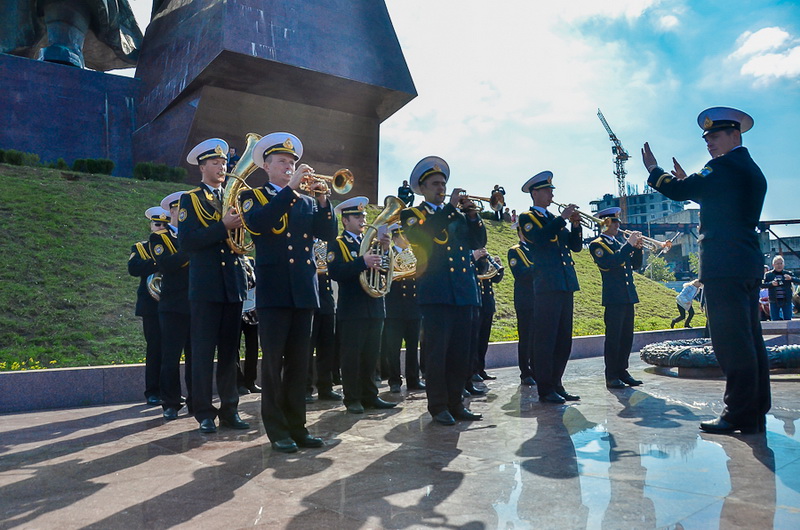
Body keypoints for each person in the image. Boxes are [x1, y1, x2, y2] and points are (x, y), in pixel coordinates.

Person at [642, 106, 769, 435]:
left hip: (724, 265)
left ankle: (738, 413)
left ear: (734, 134)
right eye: (706, 138)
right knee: (750, 339)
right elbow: (724, 203)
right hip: (745, 263)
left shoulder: (723, 166)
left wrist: (654, 170)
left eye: (715, 136)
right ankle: (754, 411)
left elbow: (680, 191)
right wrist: (693, 182)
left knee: (731, 342)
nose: (709, 143)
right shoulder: (748, 169)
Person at [239, 131, 337, 453]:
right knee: (273, 365)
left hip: (304, 292)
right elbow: (258, 224)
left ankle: (298, 427)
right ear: (266, 166)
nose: (289, 166)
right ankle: (277, 429)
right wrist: (291, 189)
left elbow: (327, 234)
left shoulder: (308, 200)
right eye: (282, 161)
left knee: (298, 364)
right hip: (275, 292)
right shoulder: (253, 196)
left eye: (292, 162)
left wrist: (325, 203)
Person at [400, 156, 487, 425]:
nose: (441, 188)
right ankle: (438, 406)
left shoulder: (457, 216)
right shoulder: (413, 215)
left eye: (443, 184)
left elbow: (478, 241)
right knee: (437, 353)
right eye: (436, 184)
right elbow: (422, 236)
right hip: (436, 293)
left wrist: (473, 217)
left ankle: (456, 402)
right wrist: (450, 209)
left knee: (461, 353)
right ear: (422, 188)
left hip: (463, 291)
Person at [177, 139, 250, 434]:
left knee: (230, 353)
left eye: (223, 163)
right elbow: (187, 242)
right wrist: (223, 227)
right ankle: (204, 411)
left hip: (232, 285)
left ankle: (230, 410)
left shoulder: (234, 197)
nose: (222, 167)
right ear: (202, 167)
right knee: (204, 353)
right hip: (206, 287)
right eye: (215, 163)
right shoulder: (190, 200)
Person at [327, 197, 397, 414]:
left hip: (375, 306)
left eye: (364, 216)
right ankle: (352, 398)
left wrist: (385, 251)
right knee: (352, 356)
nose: (363, 220)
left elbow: (386, 271)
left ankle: (370, 395)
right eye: (358, 217)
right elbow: (336, 272)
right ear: (345, 220)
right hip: (353, 309)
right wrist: (362, 262)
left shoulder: (374, 243)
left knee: (370, 355)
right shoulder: (337, 243)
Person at [518, 171, 582, 404]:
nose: (551, 194)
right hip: (547, 285)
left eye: (552, 190)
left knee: (564, 339)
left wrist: (576, 226)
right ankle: (545, 388)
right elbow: (540, 239)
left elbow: (575, 247)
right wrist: (562, 218)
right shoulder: (528, 217)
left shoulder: (555, 220)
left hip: (565, 283)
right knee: (546, 339)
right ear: (535, 193)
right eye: (547, 190)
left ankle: (557, 383)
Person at [589, 207, 645, 389]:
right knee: (614, 337)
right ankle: (611, 375)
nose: (618, 225)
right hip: (614, 297)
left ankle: (623, 371)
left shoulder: (618, 244)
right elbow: (611, 263)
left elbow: (635, 265)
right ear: (604, 223)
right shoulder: (597, 244)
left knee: (626, 337)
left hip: (628, 295)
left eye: (618, 222)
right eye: (614, 222)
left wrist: (637, 248)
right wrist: (629, 245)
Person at [150, 192, 192, 421]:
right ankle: (171, 403)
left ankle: (197, 400)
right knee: (171, 357)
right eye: (180, 210)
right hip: (173, 305)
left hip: (196, 303)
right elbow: (166, 264)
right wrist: (194, 246)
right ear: (172, 212)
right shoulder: (160, 238)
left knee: (196, 356)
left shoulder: (195, 234)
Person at [128, 206, 168, 406]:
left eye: (164, 224)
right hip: (150, 306)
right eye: (157, 223)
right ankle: (152, 391)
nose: (161, 227)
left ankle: (169, 391)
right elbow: (133, 268)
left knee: (171, 349)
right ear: (151, 225)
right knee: (154, 348)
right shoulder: (141, 247)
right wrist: (159, 263)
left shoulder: (174, 244)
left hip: (171, 303)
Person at [380, 228, 424, 393]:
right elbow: (383, 274)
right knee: (394, 347)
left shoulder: (414, 254)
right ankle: (394, 380)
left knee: (413, 346)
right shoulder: (387, 254)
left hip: (413, 306)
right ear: (396, 237)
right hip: (394, 307)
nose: (408, 239)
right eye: (405, 236)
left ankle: (413, 379)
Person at [306, 238, 342, 403]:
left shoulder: (325, 245)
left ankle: (325, 387)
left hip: (326, 301)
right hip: (310, 300)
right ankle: (305, 389)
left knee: (327, 347)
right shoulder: (303, 242)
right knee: (307, 348)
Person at [508, 221, 536, 385]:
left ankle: (536, 368)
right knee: (526, 337)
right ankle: (525, 372)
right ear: (520, 232)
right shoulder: (515, 251)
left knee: (537, 337)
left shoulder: (535, 249)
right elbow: (520, 273)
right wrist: (539, 265)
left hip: (539, 299)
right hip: (525, 300)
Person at [472, 251, 504, 383]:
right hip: (477, 302)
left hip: (488, 303)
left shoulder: (485, 258)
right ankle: (473, 371)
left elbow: (494, 279)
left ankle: (481, 369)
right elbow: (478, 273)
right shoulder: (473, 258)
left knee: (484, 339)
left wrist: (498, 268)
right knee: (476, 339)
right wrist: (478, 258)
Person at [237, 256, 261, 395]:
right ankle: (238, 382)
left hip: (251, 309)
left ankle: (250, 381)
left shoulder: (251, 260)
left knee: (252, 346)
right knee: (234, 347)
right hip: (236, 308)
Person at [763, 255, 798, 321]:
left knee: (788, 320)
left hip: (787, 300)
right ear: (773, 264)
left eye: (781, 263)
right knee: (774, 320)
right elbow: (761, 285)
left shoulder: (788, 273)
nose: (779, 265)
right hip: (774, 301)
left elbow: (798, 281)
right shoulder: (768, 275)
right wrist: (771, 284)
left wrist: (791, 278)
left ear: (784, 264)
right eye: (777, 264)